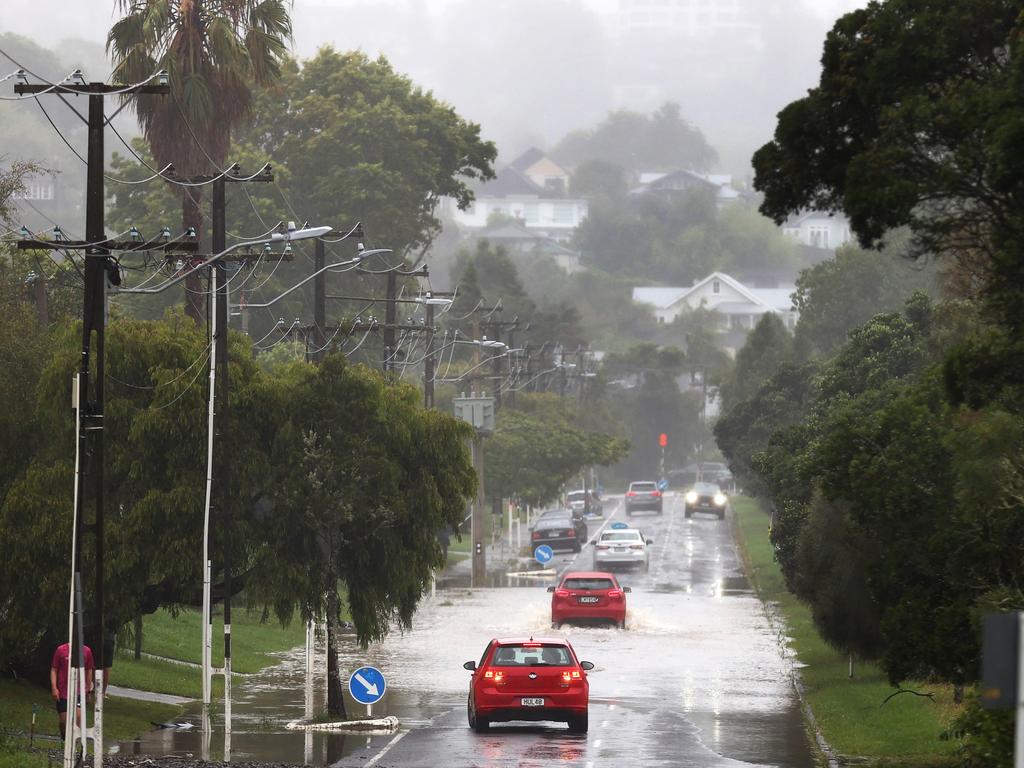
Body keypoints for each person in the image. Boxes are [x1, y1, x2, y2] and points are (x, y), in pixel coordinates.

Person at [51, 640, 94, 735]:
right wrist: (54, 688)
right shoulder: (61, 650)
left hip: (79, 692)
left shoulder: (87, 651)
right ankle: (64, 739)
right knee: (64, 722)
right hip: (63, 692)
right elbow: (54, 669)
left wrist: (88, 691)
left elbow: (89, 671)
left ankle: (75, 742)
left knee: (78, 717)